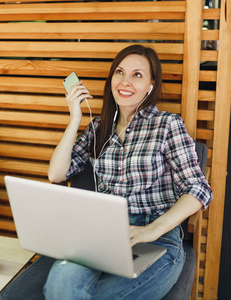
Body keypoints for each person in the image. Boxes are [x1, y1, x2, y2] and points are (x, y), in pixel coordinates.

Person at [46, 44, 213, 300]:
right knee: (62, 287)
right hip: (102, 233)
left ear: (150, 85)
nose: (125, 81)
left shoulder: (167, 124)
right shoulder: (98, 127)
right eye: (120, 72)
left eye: (137, 75)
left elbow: (199, 189)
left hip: (155, 239)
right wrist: (74, 119)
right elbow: (56, 174)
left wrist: (152, 230)